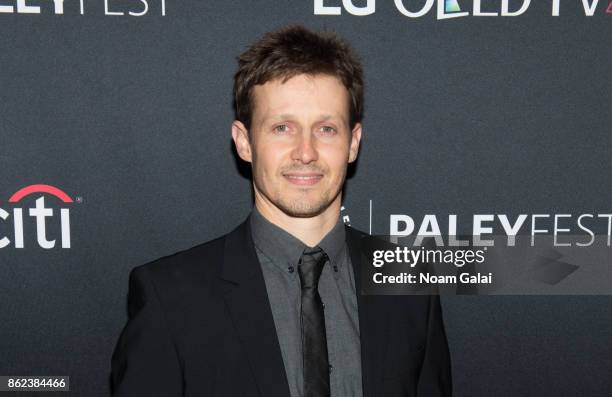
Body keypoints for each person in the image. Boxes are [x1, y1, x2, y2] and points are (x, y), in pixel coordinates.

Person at [110, 25, 452, 397]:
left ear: (353, 143)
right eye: (282, 127)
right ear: (244, 142)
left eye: (326, 129)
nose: (305, 152)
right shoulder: (172, 297)